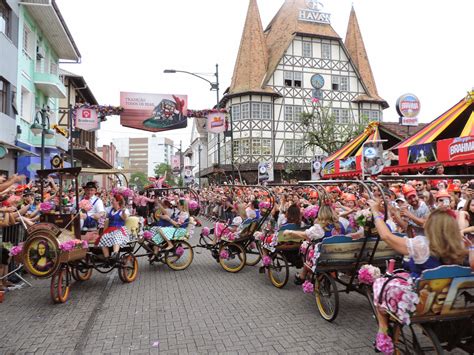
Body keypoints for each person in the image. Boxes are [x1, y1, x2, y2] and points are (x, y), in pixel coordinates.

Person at [368, 201, 470, 353]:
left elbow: (387, 237)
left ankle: (383, 327)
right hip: (451, 300)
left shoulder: (421, 244)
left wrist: (375, 212)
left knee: (381, 283)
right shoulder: (462, 245)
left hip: (421, 301)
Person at [97, 195, 130, 260]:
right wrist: (101, 214)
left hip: (119, 229)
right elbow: (104, 213)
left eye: (113, 200)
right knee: (103, 238)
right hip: (110, 229)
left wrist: (123, 211)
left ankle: (115, 254)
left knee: (116, 237)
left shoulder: (123, 210)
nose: (111, 201)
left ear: (118, 202)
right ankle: (107, 258)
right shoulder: (110, 209)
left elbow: (125, 218)